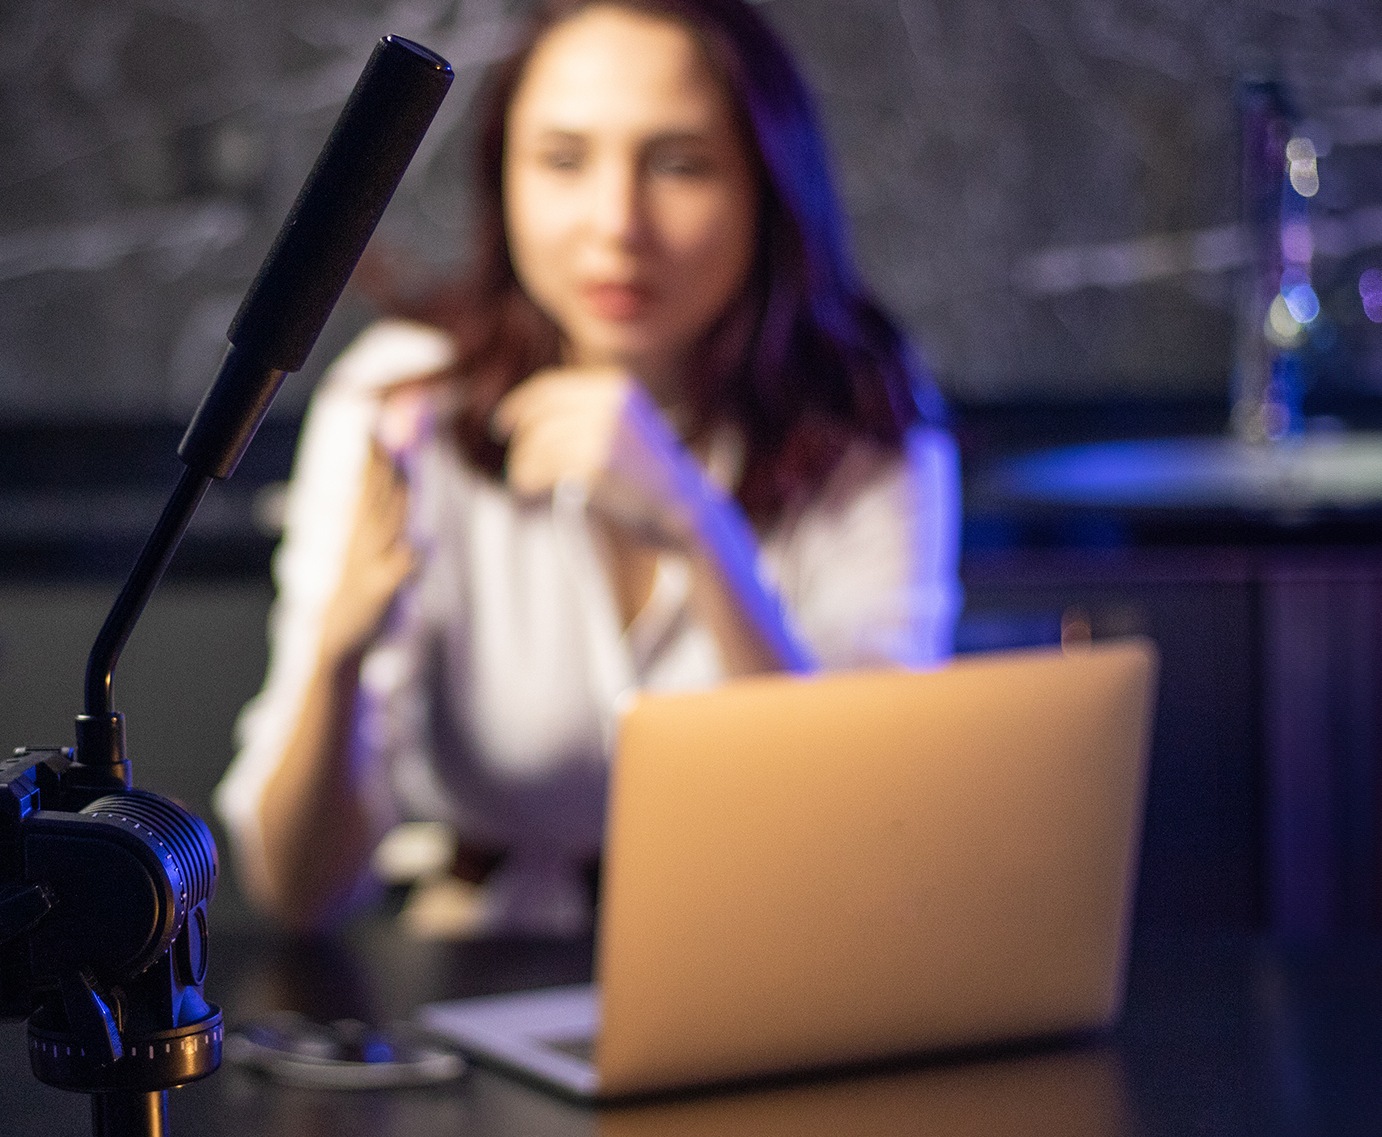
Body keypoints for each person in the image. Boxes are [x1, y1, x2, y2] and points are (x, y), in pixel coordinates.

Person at [215, 0, 960, 938]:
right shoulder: (402, 405)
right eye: (562, 161)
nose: (616, 224)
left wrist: (698, 525)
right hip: (468, 971)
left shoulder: (867, 422)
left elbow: (871, 848)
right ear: (504, 181)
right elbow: (294, 889)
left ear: (767, 185)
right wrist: (338, 655)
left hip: (764, 961)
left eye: (680, 164)